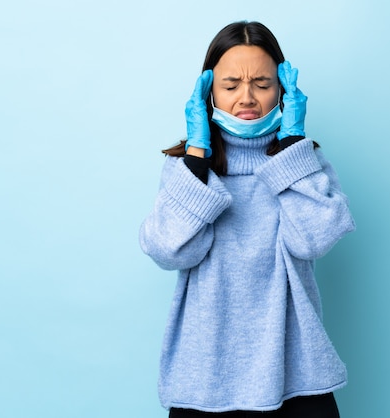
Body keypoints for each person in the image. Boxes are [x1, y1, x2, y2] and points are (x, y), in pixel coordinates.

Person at [139, 21, 355, 418]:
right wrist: (198, 157)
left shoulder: (305, 163)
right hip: (204, 377)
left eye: (262, 82)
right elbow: (169, 250)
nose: (247, 96)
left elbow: (312, 240)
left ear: (282, 91)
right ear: (209, 93)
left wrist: (291, 146)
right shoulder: (186, 169)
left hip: (298, 375)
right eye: (231, 84)